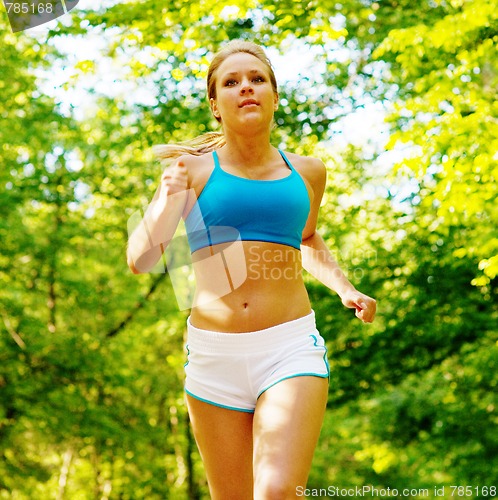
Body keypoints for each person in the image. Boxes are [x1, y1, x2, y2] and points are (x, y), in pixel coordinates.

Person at [127, 40, 376, 500]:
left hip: (288, 348)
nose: (246, 88)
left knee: (278, 490)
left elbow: (306, 238)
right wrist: (167, 196)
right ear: (215, 105)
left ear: (274, 96)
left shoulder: (307, 171)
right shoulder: (192, 171)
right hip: (213, 357)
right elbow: (141, 259)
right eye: (232, 82)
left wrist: (344, 288)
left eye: (257, 79)